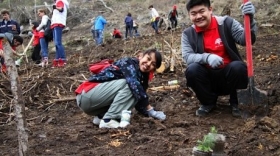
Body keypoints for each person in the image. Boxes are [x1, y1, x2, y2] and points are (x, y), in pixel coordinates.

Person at [182, 0, 256, 117]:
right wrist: (207, 57)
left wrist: (250, 21)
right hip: (207, 80)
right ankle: (208, 103)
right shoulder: (188, 33)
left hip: (230, 77)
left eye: (202, 11)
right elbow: (187, 57)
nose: (198, 16)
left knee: (239, 67)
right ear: (189, 15)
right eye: (194, 13)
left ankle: (236, 102)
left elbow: (246, 40)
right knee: (192, 70)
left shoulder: (226, 23)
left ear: (210, 10)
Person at [75, 49, 166, 128]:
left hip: (95, 105)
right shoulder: (128, 62)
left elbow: (137, 100)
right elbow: (134, 85)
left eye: (153, 64)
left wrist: (149, 114)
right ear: (141, 56)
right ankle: (109, 119)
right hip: (87, 95)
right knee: (131, 85)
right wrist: (150, 110)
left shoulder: (143, 78)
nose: (148, 64)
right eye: (148, 59)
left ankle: (101, 117)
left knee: (136, 91)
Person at [51, 0, 69, 68]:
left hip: (58, 23)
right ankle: (57, 59)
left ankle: (62, 59)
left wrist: (55, 7)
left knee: (58, 43)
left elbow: (61, 9)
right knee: (56, 43)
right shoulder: (57, 2)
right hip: (55, 24)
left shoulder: (60, 1)